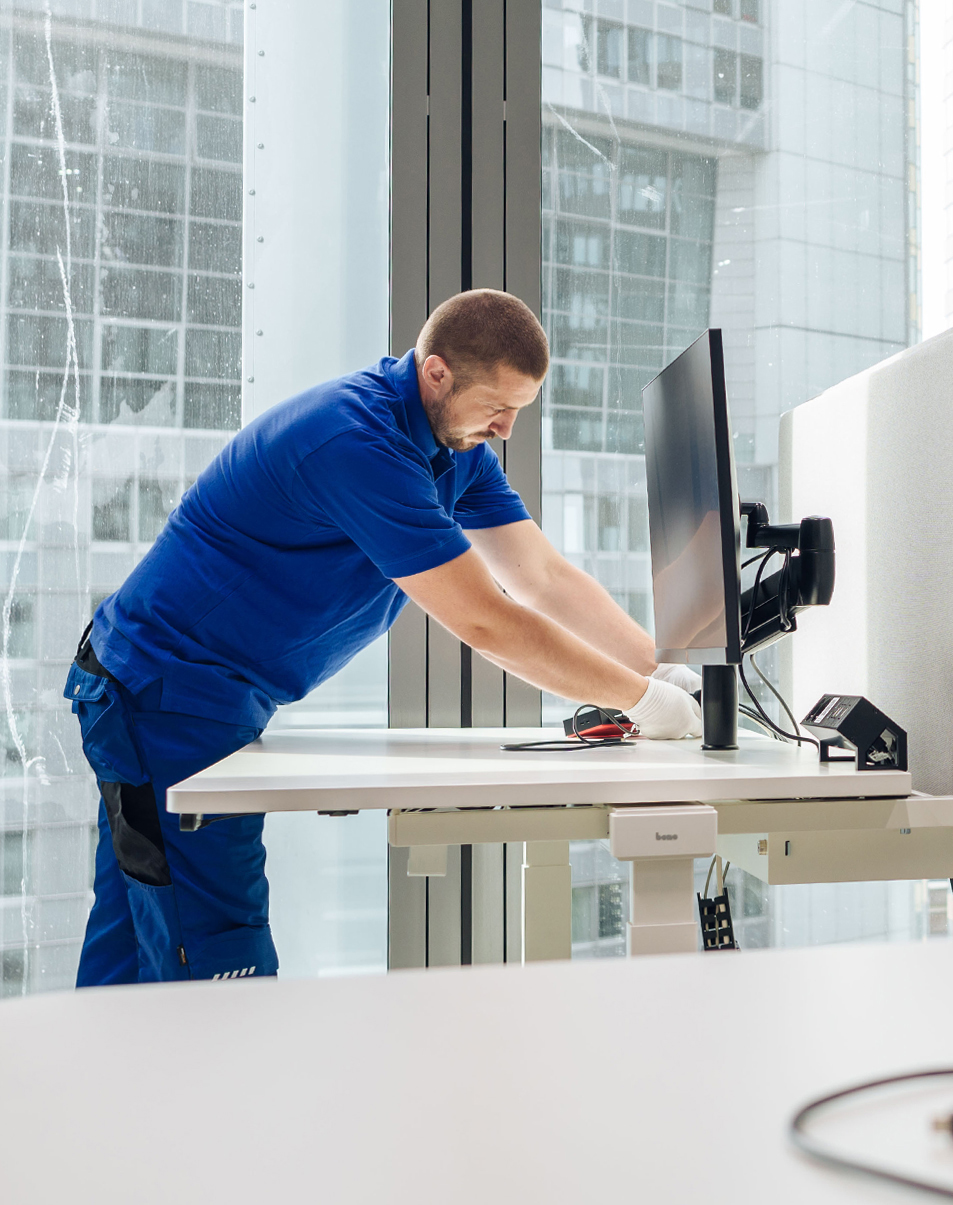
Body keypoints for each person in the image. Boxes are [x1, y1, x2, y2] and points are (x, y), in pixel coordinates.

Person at [65, 288, 701, 987]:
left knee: (135, 940)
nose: (507, 428)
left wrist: (662, 667)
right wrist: (639, 699)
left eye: (519, 409)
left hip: (185, 693)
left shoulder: (457, 449)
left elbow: (542, 577)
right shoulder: (356, 441)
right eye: (498, 405)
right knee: (217, 958)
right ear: (435, 374)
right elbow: (488, 622)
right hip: (163, 695)